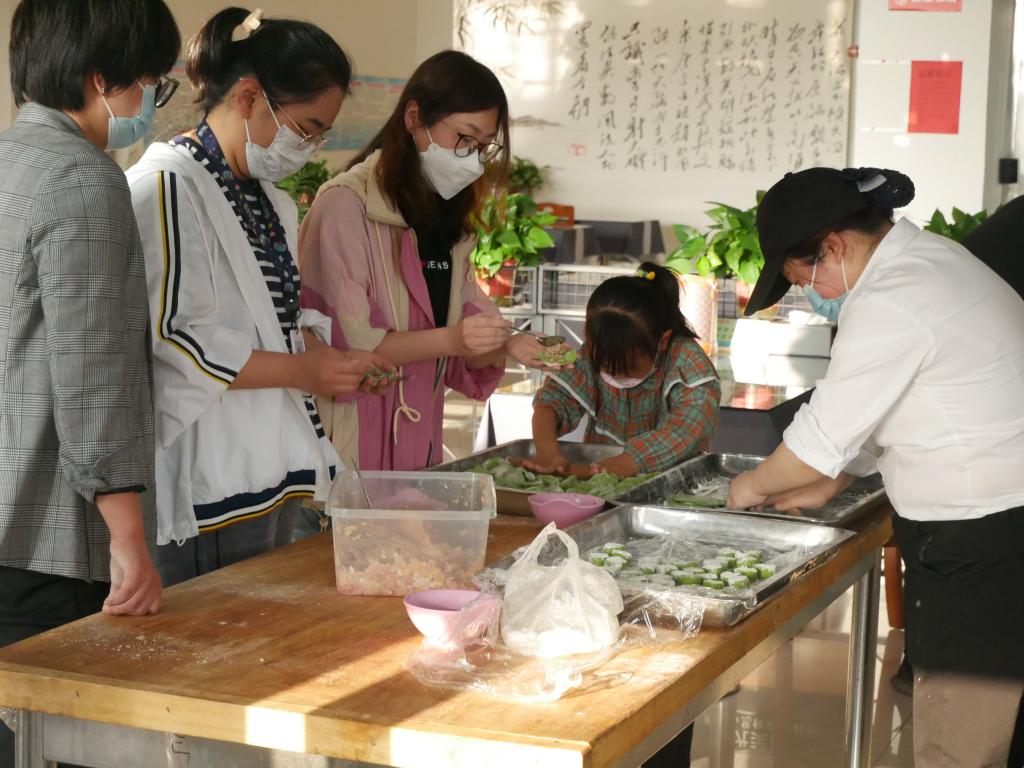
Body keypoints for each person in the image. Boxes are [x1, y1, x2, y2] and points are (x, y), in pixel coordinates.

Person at [727, 166, 1024, 767]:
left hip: (980, 540)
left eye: (804, 279)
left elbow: (816, 440)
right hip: (996, 525)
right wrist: (833, 479)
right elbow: (898, 404)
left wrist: (748, 487)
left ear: (833, 246)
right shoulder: (929, 263)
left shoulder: (893, 296)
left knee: (959, 747)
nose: (814, 295)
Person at [126, 8, 391, 586]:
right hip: (207, 476)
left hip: (268, 466)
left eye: (320, 135)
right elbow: (178, 343)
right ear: (248, 97)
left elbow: (276, 315)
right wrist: (304, 371)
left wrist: (328, 359)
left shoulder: (270, 200)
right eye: (306, 128)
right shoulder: (167, 188)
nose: (311, 147)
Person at [0, 0, 181, 761]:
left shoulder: (10, 162)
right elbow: (94, 376)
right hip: (45, 533)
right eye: (152, 82)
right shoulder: (83, 180)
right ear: (101, 79)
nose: (151, 101)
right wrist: (129, 540)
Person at [299, 50, 554, 472]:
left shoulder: (449, 222)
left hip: (419, 441)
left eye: (484, 146)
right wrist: (454, 340)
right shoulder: (345, 207)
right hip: (347, 442)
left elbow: (462, 342)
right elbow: (352, 347)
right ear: (414, 117)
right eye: (465, 138)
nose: (473, 158)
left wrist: (507, 343)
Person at [522, 262, 720, 478]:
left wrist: (626, 463)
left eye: (627, 368)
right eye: (604, 366)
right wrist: (547, 452)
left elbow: (686, 429)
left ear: (662, 342)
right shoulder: (589, 354)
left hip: (677, 478)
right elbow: (552, 401)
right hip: (600, 472)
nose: (614, 375)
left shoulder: (690, 366)